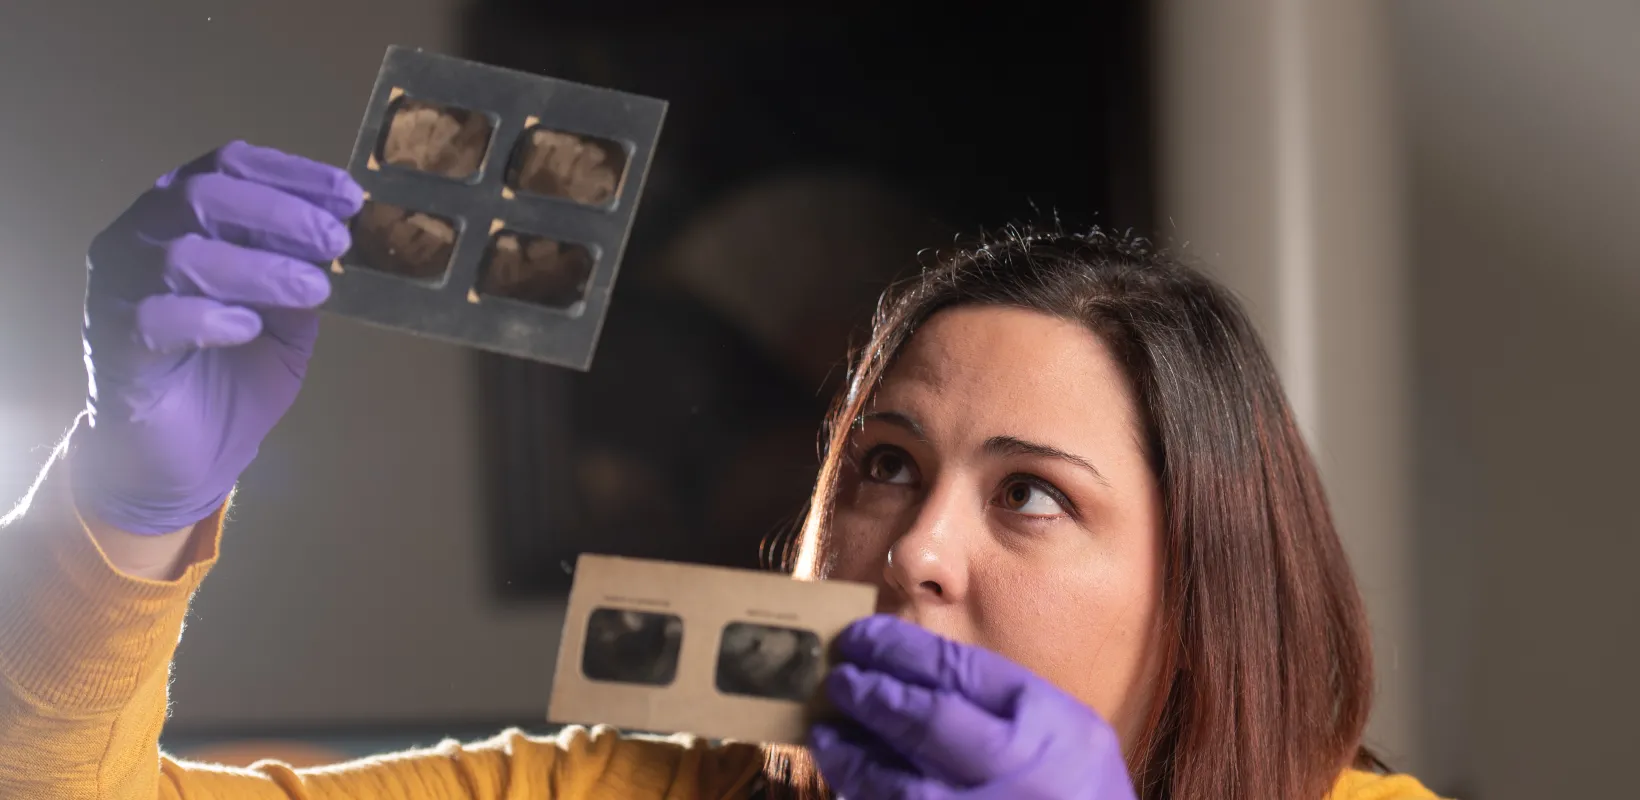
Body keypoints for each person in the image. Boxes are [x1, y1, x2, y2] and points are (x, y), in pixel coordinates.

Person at [0, 142, 1442, 800]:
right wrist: (127, 506)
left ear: (1200, 599)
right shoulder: (629, 790)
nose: (916, 550)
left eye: (1031, 494)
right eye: (887, 464)